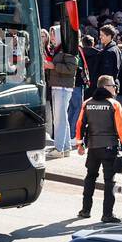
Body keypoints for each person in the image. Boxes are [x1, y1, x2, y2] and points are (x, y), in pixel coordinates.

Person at [74, 74, 122, 223]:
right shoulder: (114, 104)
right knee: (109, 182)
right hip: (109, 147)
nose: (115, 88)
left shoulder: (87, 103)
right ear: (106, 87)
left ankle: (85, 210)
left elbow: (80, 125)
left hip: (93, 147)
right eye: (113, 86)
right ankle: (107, 214)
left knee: (90, 178)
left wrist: (80, 145)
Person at [45, 27, 79, 156]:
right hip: (59, 86)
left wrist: (53, 66)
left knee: (60, 119)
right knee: (61, 118)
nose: (52, 37)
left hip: (63, 87)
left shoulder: (66, 49)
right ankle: (65, 147)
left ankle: (59, 148)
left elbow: (71, 68)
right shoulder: (59, 49)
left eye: (53, 35)